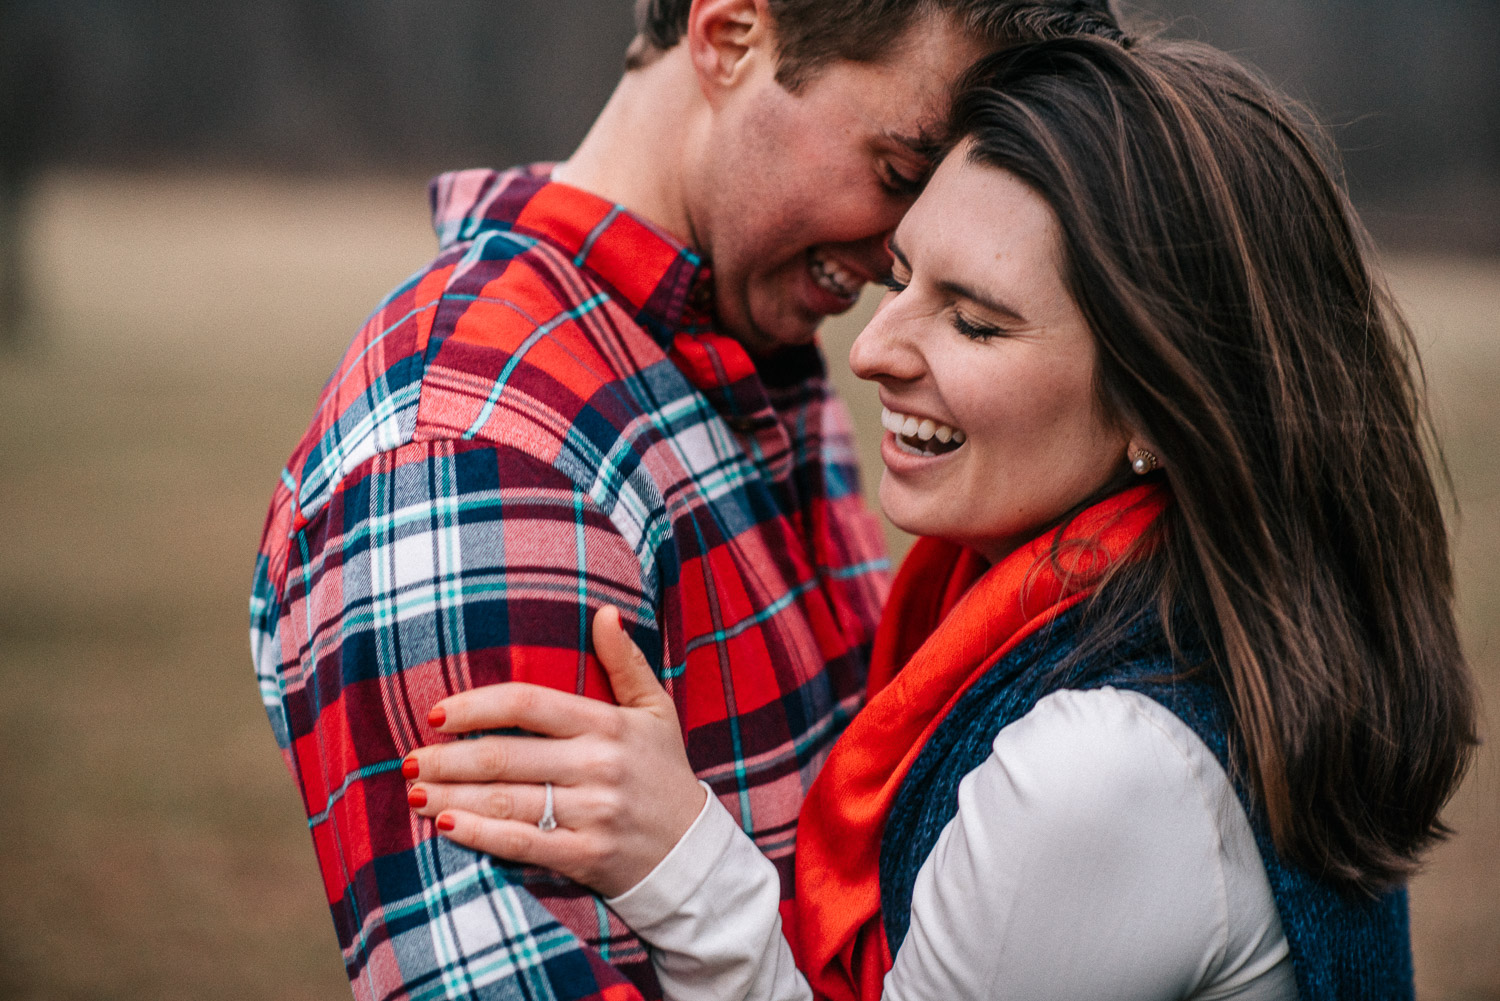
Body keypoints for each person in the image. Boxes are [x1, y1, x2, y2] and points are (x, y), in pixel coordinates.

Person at [400, 34, 1479, 1001]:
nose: (872, 349)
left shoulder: (1101, 769)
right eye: (904, 278)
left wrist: (681, 860)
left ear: (1161, 400)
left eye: (974, 321)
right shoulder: (1135, 614)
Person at [250, 2, 1127, 999]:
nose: (902, 252)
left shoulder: (754, 339)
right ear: (730, 35)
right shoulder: (483, 444)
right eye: (897, 171)